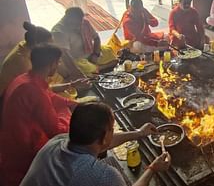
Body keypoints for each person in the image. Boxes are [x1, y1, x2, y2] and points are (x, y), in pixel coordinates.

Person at [20, 102, 171, 186]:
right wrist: (152, 168)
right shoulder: (104, 176)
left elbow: (103, 141)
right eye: (112, 129)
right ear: (104, 137)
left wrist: (138, 133)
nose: (113, 131)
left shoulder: (56, 141)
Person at [0, 44, 78, 186]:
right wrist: (73, 117)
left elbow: (49, 95)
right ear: (52, 64)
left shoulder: (25, 78)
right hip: (23, 152)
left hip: (9, 141)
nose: (58, 65)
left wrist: (71, 103)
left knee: (64, 110)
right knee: (70, 133)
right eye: (58, 62)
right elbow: (55, 132)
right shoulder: (33, 89)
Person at [52, 7, 117, 77]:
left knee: (109, 50)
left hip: (91, 53)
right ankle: (99, 68)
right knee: (82, 67)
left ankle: (96, 69)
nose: (80, 27)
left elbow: (96, 38)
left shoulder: (84, 22)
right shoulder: (59, 32)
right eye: (77, 25)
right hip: (78, 60)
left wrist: (96, 54)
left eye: (80, 23)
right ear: (68, 19)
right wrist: (77, 73)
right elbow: (65, 57)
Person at [0, 22, 52, 95]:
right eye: (48, 46)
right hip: (6, 96)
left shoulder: (25, 44)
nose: (50, 49)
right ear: (38, 46)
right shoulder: (24, 62)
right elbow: (38, 89)